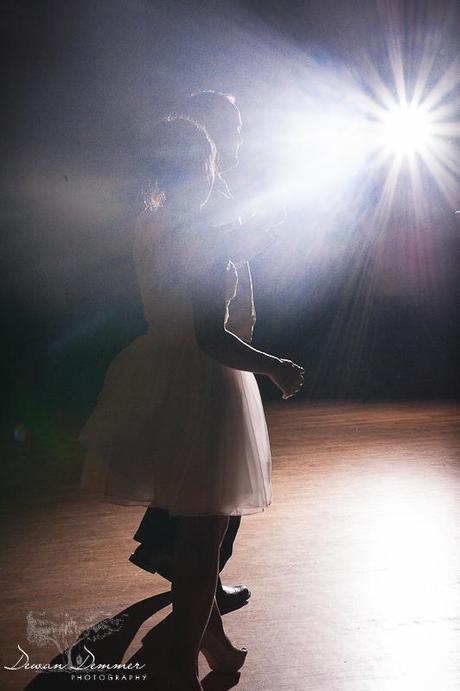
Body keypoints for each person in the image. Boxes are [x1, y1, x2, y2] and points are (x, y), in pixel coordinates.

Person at [79, 113, 304, 689]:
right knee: (204, 541)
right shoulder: (202, 230)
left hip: (156, 373)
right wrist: (275, 367)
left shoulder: (149, 224)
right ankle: (179, 660)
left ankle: (210, 642)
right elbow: (210, 336)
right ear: (201, 166)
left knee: (193, 533)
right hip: (204, 384)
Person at [129, 91, 278, 614]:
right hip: (209, 363)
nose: (235, 138)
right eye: (229, 128)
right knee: (215, 488)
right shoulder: (203, 208)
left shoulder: (164, 212)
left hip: (180, 357)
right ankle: (197, 590)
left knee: (192, 474)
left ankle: (198, 602)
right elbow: (208, 316)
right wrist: (274, 367)